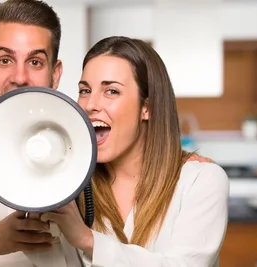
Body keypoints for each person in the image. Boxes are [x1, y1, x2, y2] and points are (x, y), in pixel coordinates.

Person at [0, 0, 214, 266]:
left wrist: (181, 165)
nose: (20, 76)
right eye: (4, 60)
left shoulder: (75, 153)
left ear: (55, 73)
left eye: (35, 61)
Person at [39, 36, 230, 266]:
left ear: (146, 107)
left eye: (111, 91)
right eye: (85, 90)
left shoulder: (201, 181)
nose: (90, 105)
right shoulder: (71, 186)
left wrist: (87, 239)